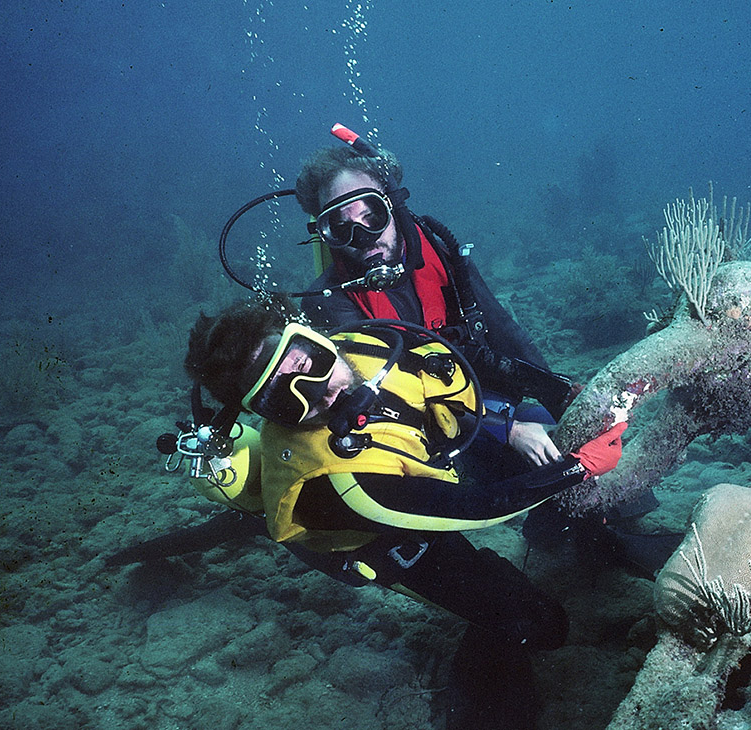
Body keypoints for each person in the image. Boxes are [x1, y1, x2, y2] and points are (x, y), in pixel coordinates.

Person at [181, 295, 628, 730]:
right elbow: (471, 510)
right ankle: (253, 517)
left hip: (420, 480)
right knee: (541, 625)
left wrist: (547, 397)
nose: (322, 394)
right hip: (387, 540)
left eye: (305, 364)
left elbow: (456, 358)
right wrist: (579, 466)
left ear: (314, 336)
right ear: (266, 415)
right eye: (283, 399)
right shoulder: (333, 483)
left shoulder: (363, 344)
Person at [291, 137, 572, 472]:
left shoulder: (443, 255)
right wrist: (507, 430)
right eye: (341, 227)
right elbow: (397, 401)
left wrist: (562, 398)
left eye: (372, 215)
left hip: (484, 401)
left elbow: (503, 331)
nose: (364, 237)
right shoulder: (328, 301)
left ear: (393, 205)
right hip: (415, 435)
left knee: (574, 435)